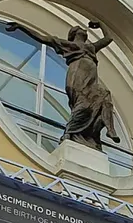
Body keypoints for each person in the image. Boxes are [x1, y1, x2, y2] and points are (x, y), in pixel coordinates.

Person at [7, 20, 120, 149]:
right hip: (77, 77)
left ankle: (110, 130)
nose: (84, 29)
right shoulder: (69, 45)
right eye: (79, 28)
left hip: (91, 80)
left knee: (104, 96)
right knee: (83, 105)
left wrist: (101, 24)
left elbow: (109, 38)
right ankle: (69, 132)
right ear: (74, 34)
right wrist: (21, 27)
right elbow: (44, 38)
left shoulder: (91, 48)